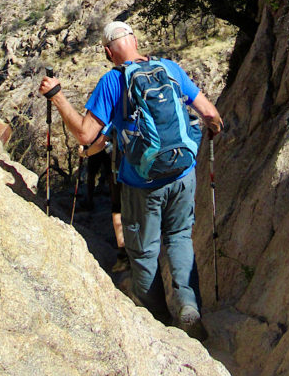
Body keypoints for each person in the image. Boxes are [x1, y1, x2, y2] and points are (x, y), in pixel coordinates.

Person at [39, 19, 221, 340]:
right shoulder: (169, 68)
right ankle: (189, 308)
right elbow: (209, 115)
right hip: (182, 172)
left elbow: (85, 133)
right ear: (135, 40)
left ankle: (161, 323)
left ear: (109, 52)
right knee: (179, 237)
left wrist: (57, 97)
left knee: (144, 253)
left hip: (141, 185)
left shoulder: (112, 82)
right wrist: (215, 128)